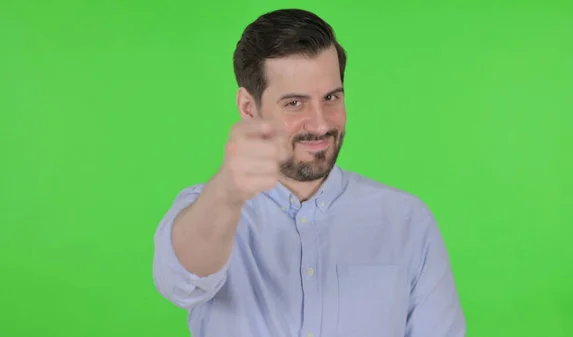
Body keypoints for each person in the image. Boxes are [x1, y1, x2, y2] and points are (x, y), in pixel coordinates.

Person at [152, 8, 466, 337]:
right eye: (294, 103)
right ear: (249, 107)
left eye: (331, 97)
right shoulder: (207, 209)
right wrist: (227, 194)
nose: (320, 124)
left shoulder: (408, 221)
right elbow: (179, 283)